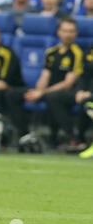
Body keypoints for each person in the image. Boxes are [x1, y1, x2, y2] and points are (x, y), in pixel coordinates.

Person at [6, 17, 84, 147]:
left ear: (76, 34)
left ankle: (72, 138)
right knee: (12, 94)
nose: (68, 35)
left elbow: (68, 83)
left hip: (67, 93)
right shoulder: (51, 52)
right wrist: (37, 91)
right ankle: (25, 135)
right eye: (65, 31)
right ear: (59, 32)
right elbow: (45, 75)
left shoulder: (77, 53)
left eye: (71, 31)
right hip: (47, 91)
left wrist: (42, 93)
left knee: (52, 97)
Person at [45, 42, 93, 152]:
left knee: (86, 101)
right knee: (53, 97)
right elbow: (84, 74)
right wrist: (81, 90)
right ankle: (72, 137)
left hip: (90, 93)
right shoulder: (90, 49)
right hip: (84, 90)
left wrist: (90, 92)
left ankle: (81, 137)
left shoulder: (76, 52)